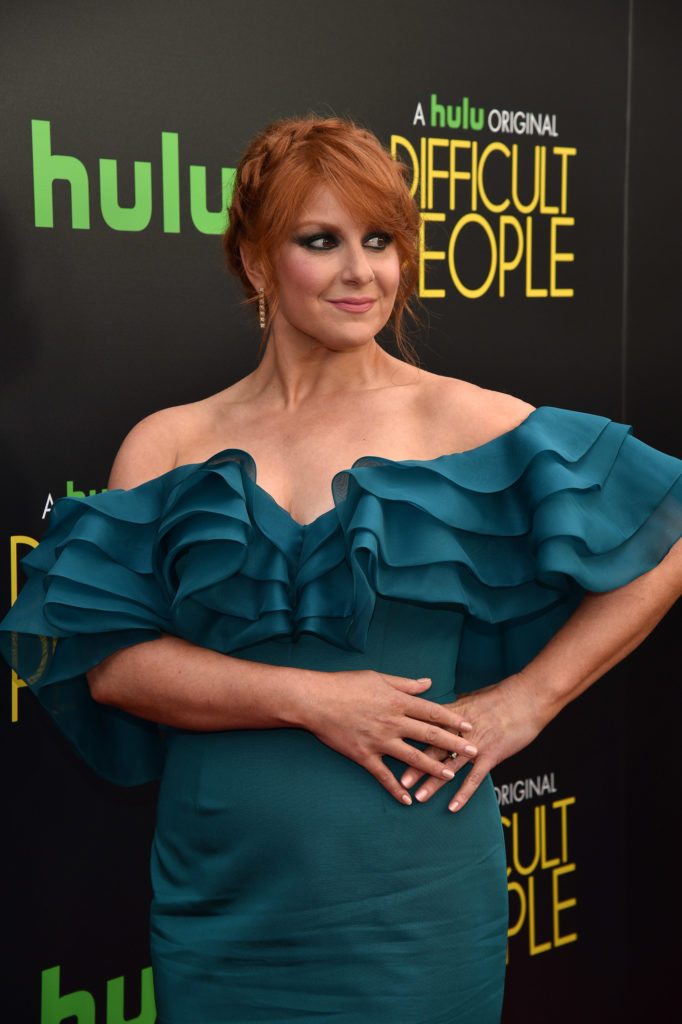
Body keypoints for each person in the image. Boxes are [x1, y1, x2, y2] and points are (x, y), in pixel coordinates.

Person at [2, 115, 681, 1024]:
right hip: (220, 897)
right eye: (320, 241)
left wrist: (529, 699)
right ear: (255, 262)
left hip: (414, 898)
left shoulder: (461, 420)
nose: (363, 272)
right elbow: (116, 665)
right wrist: (316, 699)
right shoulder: (168, 442)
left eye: (381, 242)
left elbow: (665, 539)